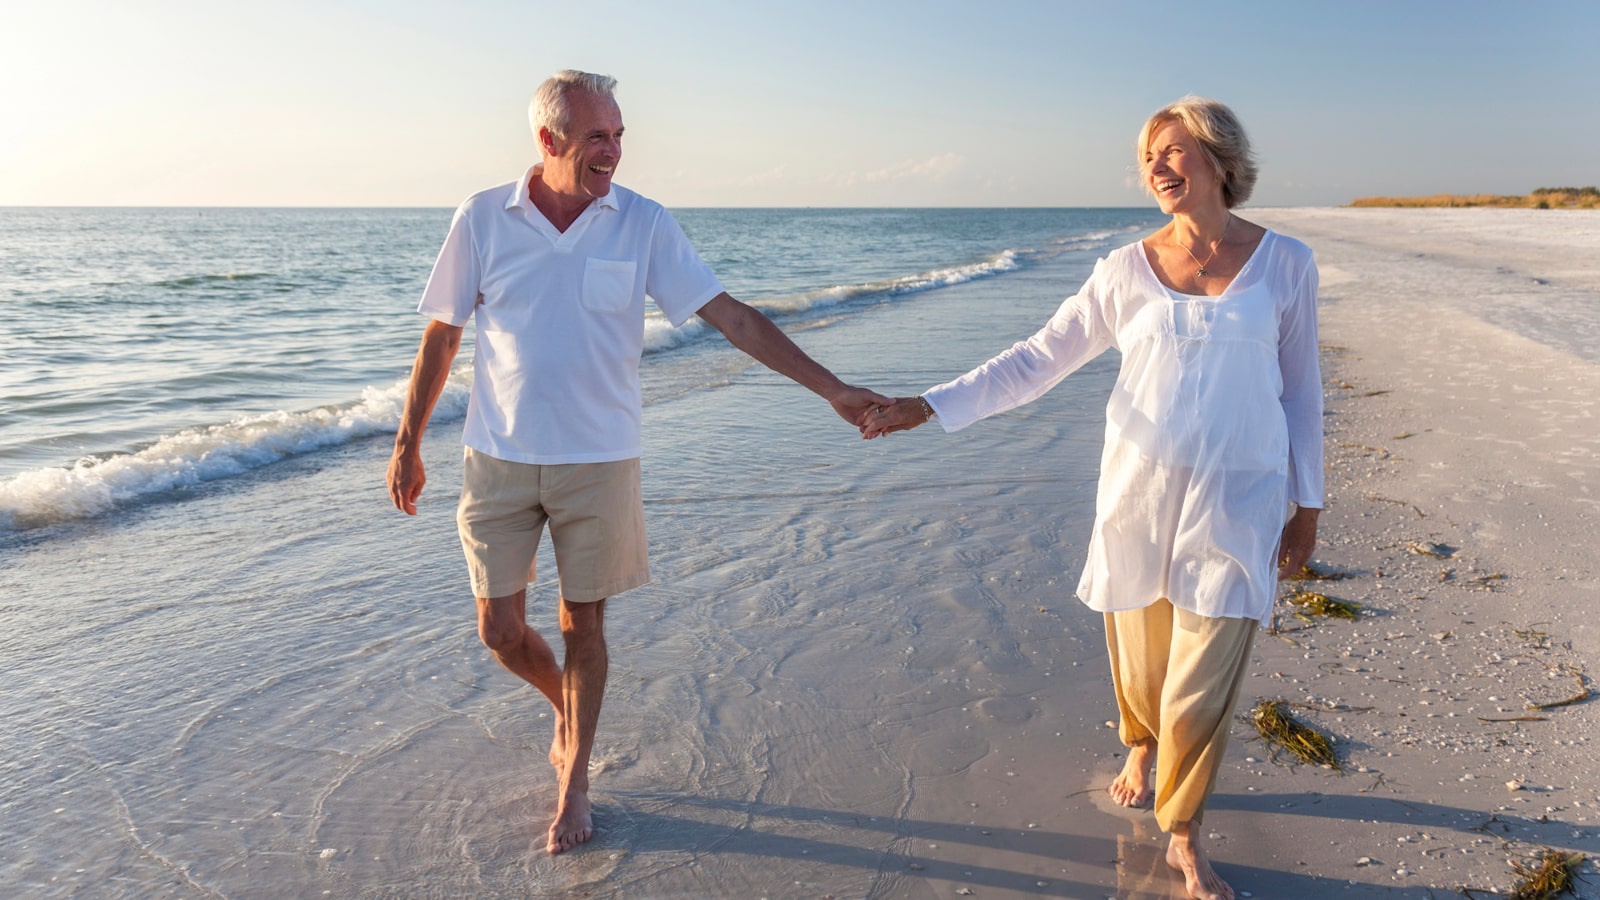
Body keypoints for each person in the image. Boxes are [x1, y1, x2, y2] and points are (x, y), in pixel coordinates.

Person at [387, 70, 888, 856]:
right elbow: (443, 334)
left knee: (583, 624)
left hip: (601, 461)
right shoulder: (482, 217)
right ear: (549, 139)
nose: (614, 151)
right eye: (598, 136)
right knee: (500, 630)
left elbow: (732, 318)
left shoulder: (643, 222)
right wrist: (407, 442)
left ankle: (575, 779)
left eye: (619, 135)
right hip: (497, 457)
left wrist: (831, 389)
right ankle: (565, 705)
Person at [862, 97, 1322, 900]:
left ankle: (1184, 833)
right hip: (1140, 493)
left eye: (1172, 151)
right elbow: (1037, 359)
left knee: (1204, 673)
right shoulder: (1123, 269)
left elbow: (1301, 392)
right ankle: (1139, 742)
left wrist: (1307, 506)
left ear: (1219, 159)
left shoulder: (1286, 263)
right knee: (1142, 658)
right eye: (1148, 157)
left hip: (1239, 496)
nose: (1157, 168)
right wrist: (928, 405)